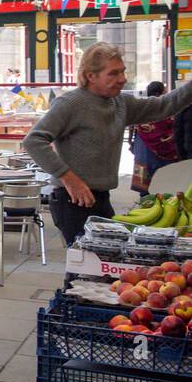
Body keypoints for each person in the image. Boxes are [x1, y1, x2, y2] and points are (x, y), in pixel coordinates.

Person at [24, 43, 192, 246]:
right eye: (113, 73)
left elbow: (164, 106)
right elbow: (34, 140)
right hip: (72, 201)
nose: (122, 79)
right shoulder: (70, 104)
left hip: (101, 199)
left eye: (122, 71)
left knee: (103, 267)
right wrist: (69, 178)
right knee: (85, 268)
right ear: (90, 76)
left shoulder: (121, 102)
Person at [130, 81, 180, 193]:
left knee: (144, 190)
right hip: (161, 157)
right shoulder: (164, 111)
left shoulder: (141, 108)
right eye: (165, 92)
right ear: (159, 94)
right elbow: (171, 130)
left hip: (142, 150)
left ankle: (144, 205)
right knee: (163, 189)